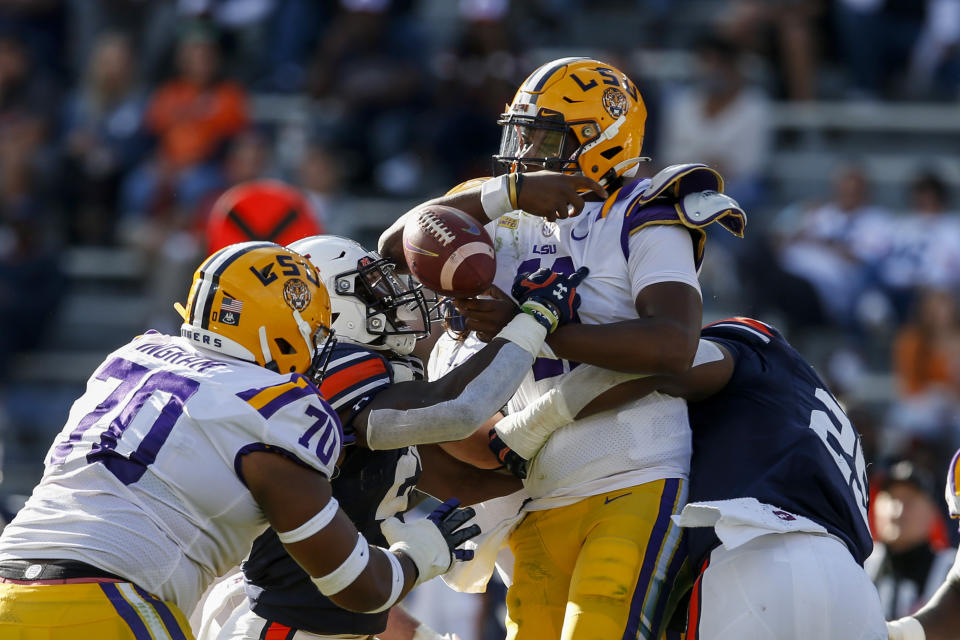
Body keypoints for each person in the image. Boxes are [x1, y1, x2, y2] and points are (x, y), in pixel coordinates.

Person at [380, 57, 746, 639]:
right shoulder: (507, 208)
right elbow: (397, 245)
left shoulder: (647, 212)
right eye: (519, 134)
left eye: (543, 137)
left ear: (602, 138)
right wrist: (510, 193)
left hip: (633, 468)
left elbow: (673, 343)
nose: (522, 152)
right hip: (536, 485)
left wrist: (532, 325)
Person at [0, 241, 481, 639]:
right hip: (105, 604)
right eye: (315, 330)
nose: (320, 345)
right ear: (283, 328)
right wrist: (421, 554)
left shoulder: (133, 356)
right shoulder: (276, 411)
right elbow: (357, 585)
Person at [196, 234, 587, 640]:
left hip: (326, 621)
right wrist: (535, 320)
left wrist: (578, 455)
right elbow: (459, 409)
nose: (393, 296)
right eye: (370, 288)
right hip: (288, 622)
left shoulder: (377, 388)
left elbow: (462, 483)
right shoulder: (333, 368)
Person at [492, 317, 887, 639]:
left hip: (756, 553)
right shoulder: (814, 408)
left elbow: (671, 363)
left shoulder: (750, 345)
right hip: (854, 588)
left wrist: (541, 390)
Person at [886, 450, 960, 640]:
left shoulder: (945, 563)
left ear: (933, 513)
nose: (898, 511)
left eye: (909, 501)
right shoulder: (859, 564)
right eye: (892, 498)